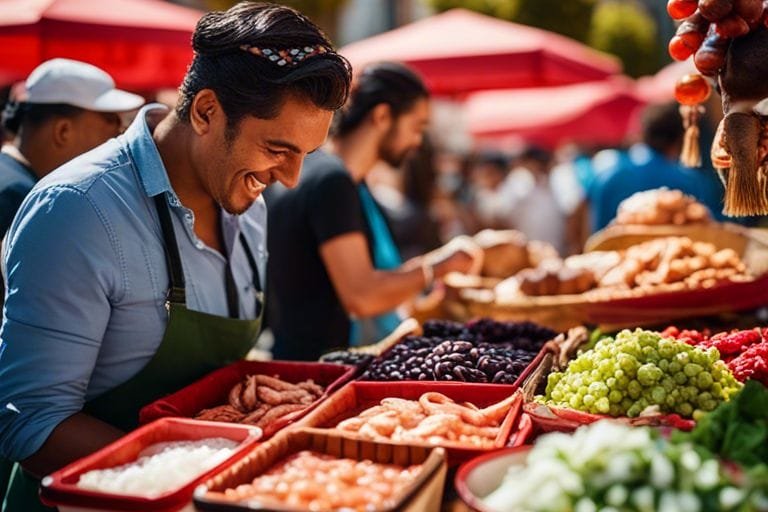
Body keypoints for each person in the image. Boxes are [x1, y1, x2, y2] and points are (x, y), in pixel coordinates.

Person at [0, 3, 351, 510]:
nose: (291, 179)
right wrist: (200, 476)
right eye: (278, 149)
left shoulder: (249, 206)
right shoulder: (77, 210)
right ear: (206, 112)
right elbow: (31, 421)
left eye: (305, 155)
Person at [266, 62, 477, 360]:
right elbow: (362, 296)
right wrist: (439, 266)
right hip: (316, 368)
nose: (417, 141)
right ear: (382, 116)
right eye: (416, 127)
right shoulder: (332, 181)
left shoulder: (344, 180)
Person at [0, 59, 145, 239]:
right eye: (110, 120)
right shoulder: (17, 197)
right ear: (63, 131)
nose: (120, 132)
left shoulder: (17, 184)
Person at [587, 102, 715, 232]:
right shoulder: (692, 181)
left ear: (642, 134)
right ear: (679, 139)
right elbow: (710, 229)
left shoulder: (607, 179)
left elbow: (597, 235)